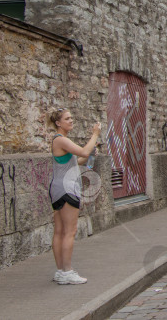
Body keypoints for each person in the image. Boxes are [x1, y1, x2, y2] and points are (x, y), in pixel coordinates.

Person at [48, 108, 101, 285]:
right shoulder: (60, 139)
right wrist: (95, 134)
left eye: (71, 118)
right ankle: (67, 271)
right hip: (67, 189)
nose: (71, 121)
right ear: (58, 123)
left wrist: (89, 154)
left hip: (57, 188)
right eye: (67, 118)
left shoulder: (60, 141)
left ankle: (60, 271)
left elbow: (76, 161)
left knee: (60, 231)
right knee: (69, 232)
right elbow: (84, 152)